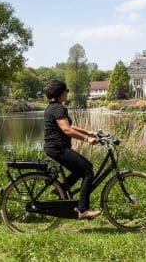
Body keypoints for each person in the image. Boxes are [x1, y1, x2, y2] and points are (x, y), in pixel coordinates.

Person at [43, 80, 101, 220]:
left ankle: (61, 189)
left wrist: (89, 133)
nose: (67, 93)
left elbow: (71, 127)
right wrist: (87, 140)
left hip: (54, 148)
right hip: (58, 148)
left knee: (81, 170)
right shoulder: (58, 108)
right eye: (66, 91)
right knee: (88, 171)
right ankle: (83, 210)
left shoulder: (52, 107)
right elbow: (66, 130)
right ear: (60, 93)